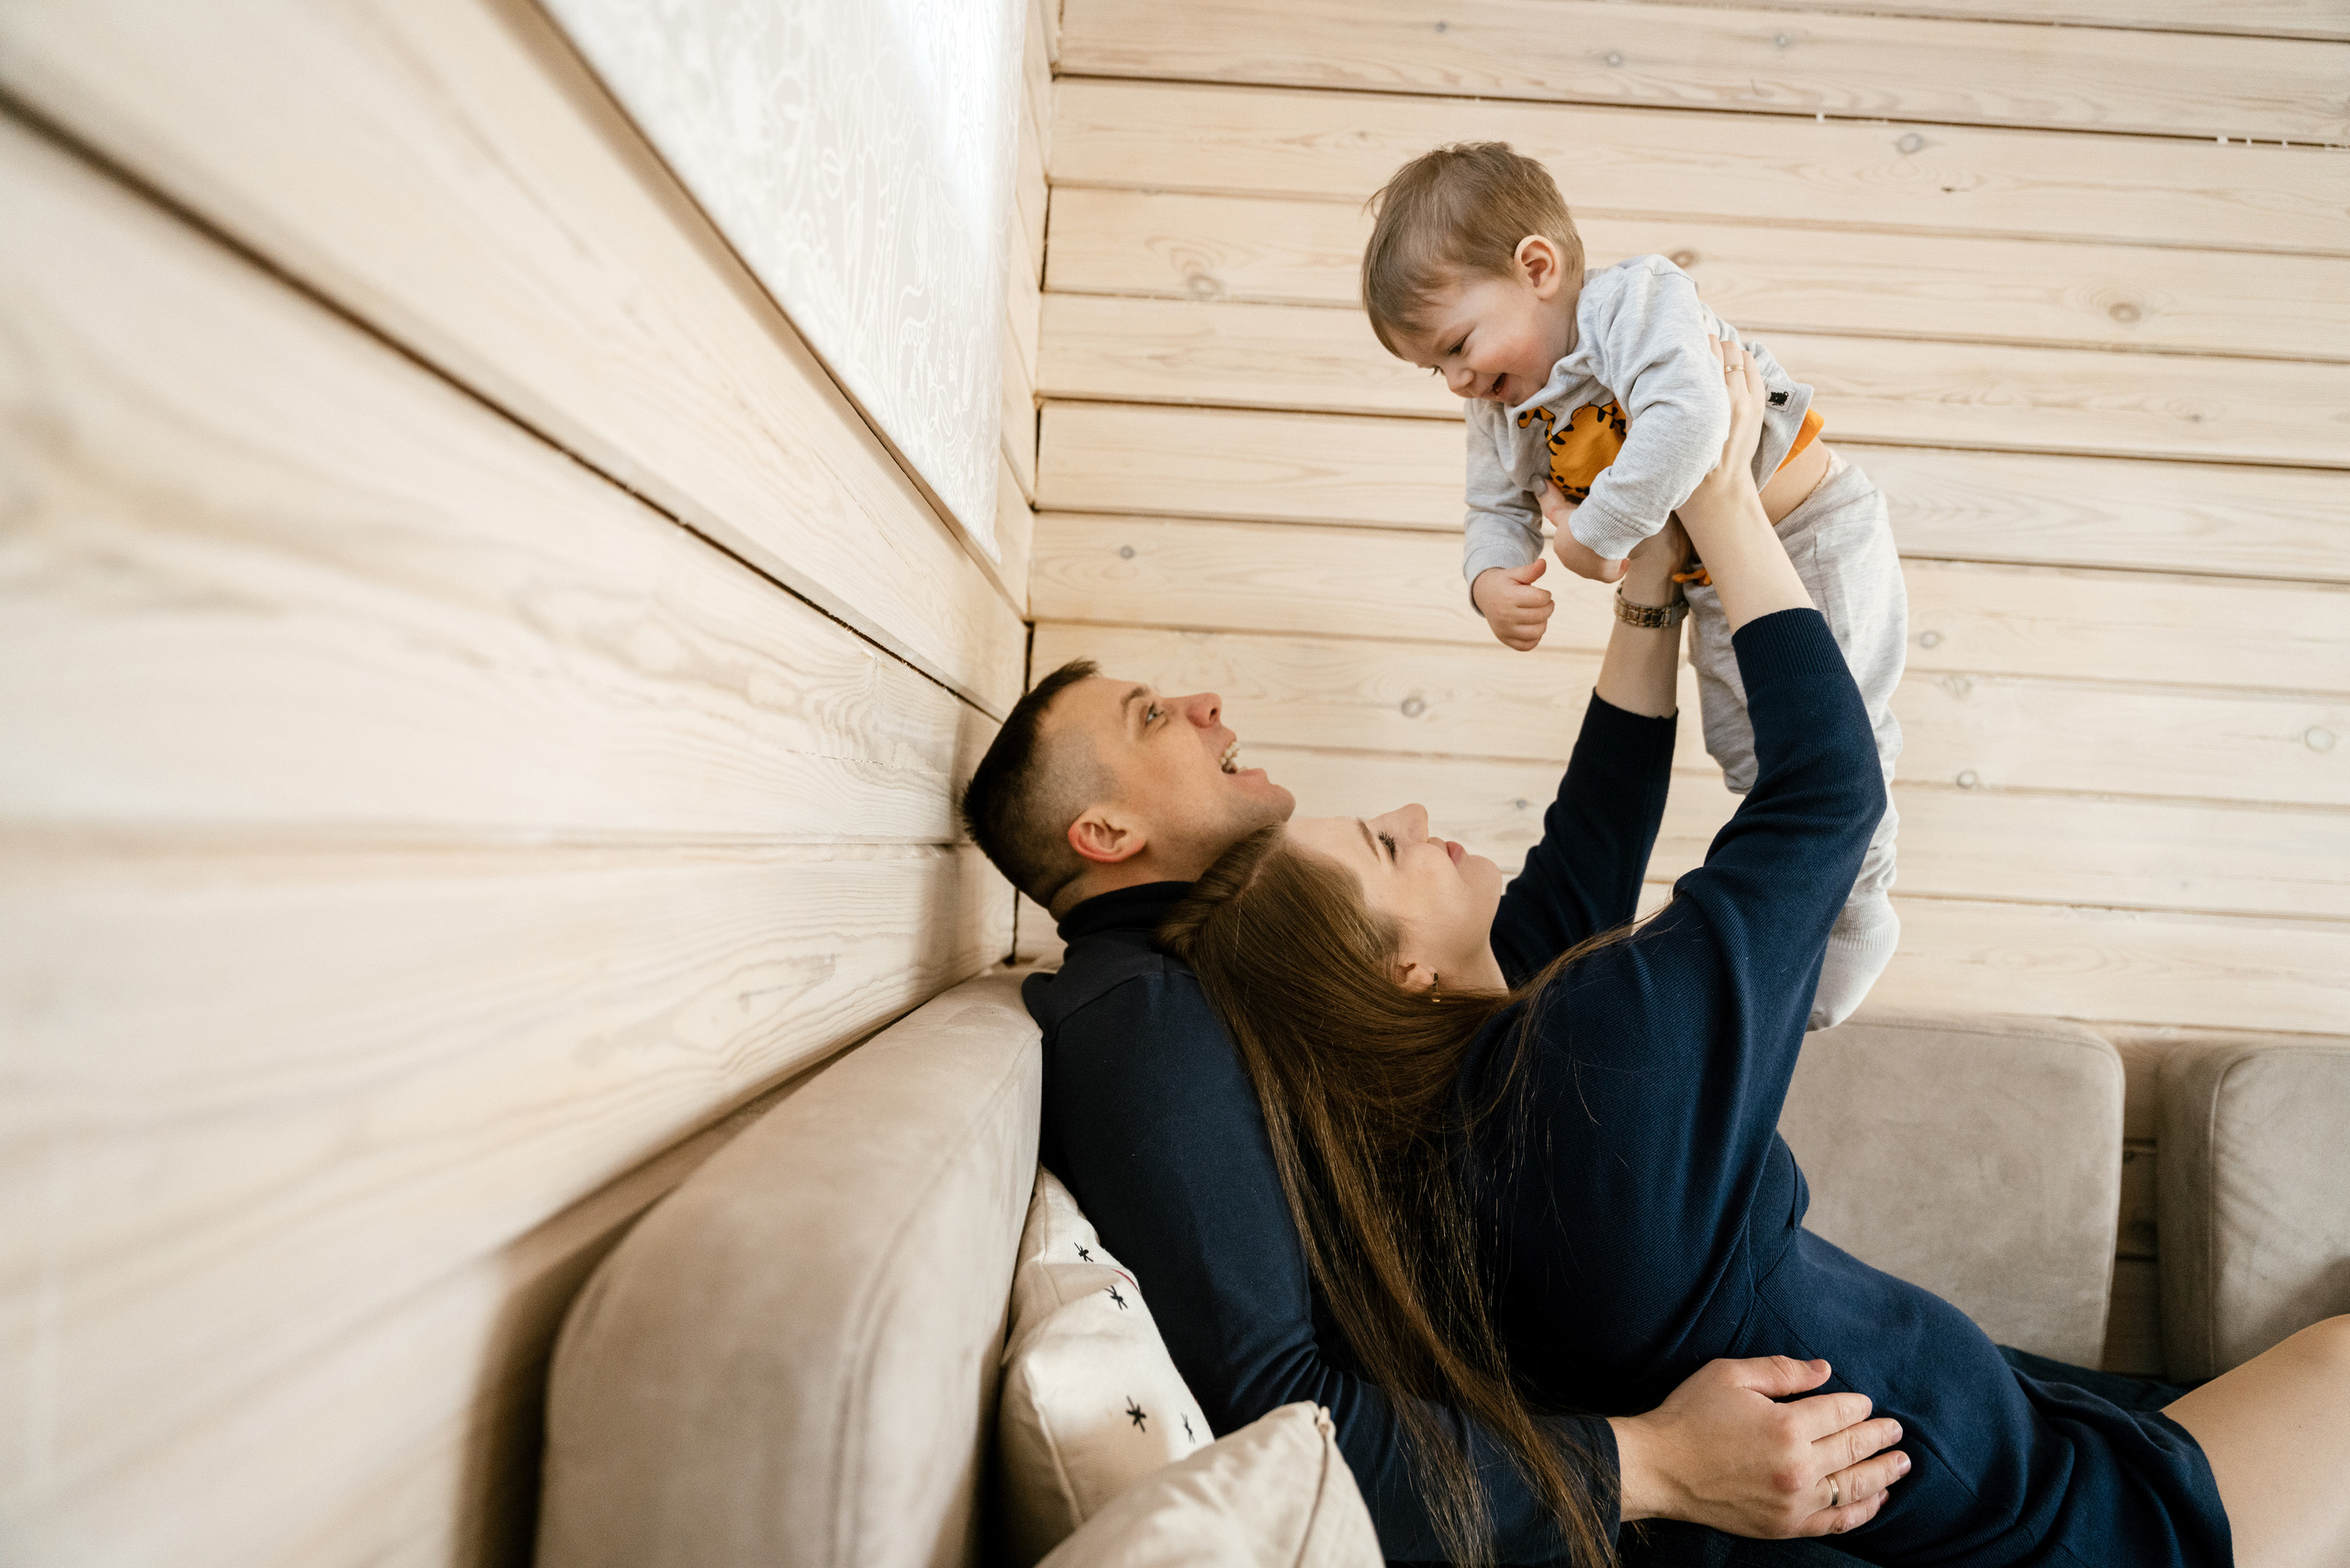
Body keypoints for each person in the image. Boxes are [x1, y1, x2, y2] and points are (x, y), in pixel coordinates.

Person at [1157, 339, 2350, 1567]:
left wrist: (1651, 596)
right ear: (1397, 975)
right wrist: (1722, 493)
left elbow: (1590, 846)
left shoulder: (1435, 1155)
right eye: (1384, 847)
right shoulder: (1593, 1063)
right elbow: (1827, 796)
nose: (1413, 816)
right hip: (2067, 1524)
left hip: (1998, 1451)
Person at [960, 520, 1906, 1557]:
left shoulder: (1239, 948)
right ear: (1104, 834)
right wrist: (1658, 1463)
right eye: (1151, 717)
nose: (1206, 705)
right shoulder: (1148, 1018)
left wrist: (1646, 603)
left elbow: (1546, 923)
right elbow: (1276, 1407)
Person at [1360, 142, 1905, 1030]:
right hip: (1709, 578)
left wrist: (1595, 538)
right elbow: (1493, 504)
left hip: (1810, 532)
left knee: (1837, 739)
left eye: (1458, 345)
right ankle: (1831, 905)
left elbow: (1691, 422)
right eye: (1436, 368)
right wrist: (1489, 579)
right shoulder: (1499, 406)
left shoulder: (1634, 304)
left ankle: (1860, 907)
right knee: (1749, 755)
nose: (1458, 381)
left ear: (1537, 268)